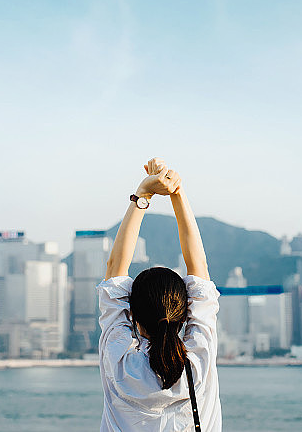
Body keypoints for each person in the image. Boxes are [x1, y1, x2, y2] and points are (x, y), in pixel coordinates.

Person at [97, 158, 222, 431]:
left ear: (132, 315)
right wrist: (177, 191)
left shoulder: (119, 362)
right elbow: (198, 266)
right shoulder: (199, 360)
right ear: (184, 312)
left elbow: (114, 267)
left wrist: (143, 193)